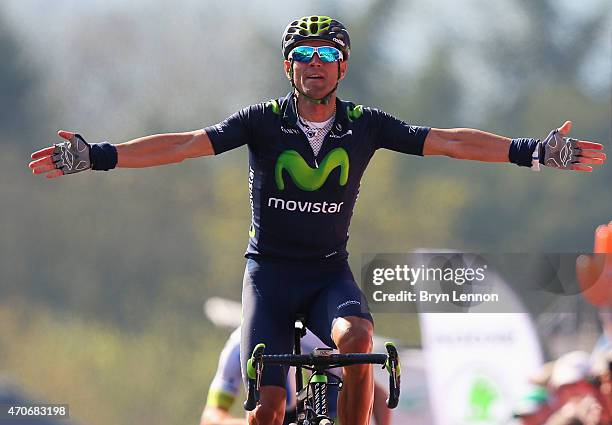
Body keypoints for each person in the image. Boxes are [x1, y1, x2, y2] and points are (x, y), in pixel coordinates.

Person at [28, 15, 606, 425]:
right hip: (270, 277)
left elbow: (451, 142)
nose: (315, 65)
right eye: (305, 56)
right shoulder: (260, 121)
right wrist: (95, 155)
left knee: (357, 340)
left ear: (343, 66)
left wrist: (534, 151)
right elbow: (182, 146)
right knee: (269, 408)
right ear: (289, 66)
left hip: (328, 274)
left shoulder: (366, 123)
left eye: (327, 55)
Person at [201, 327, 391, 425]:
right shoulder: (237, 346)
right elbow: (210, 417)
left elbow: (379, 395)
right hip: (273, 414)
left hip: (322, 408)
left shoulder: (313, 339)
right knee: (260, 412)